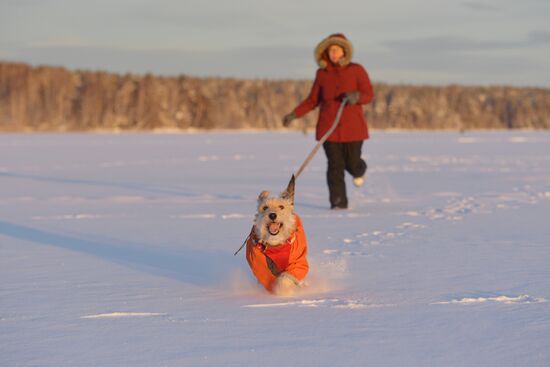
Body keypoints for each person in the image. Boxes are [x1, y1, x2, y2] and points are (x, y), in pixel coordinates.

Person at [282, 33, 374, 209]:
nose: (334, 53)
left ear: (344, 51)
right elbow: (312, 100)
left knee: (353, 164)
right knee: (335, 167)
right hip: (328, 129)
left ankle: (359, 170)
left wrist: (356, 96)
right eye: (331, 50)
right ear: (326, 52)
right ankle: (338, 203)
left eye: (337, 49)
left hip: (353, 129)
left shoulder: (356, 70)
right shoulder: (322, 74)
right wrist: (294, 114)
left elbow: (369, 94)